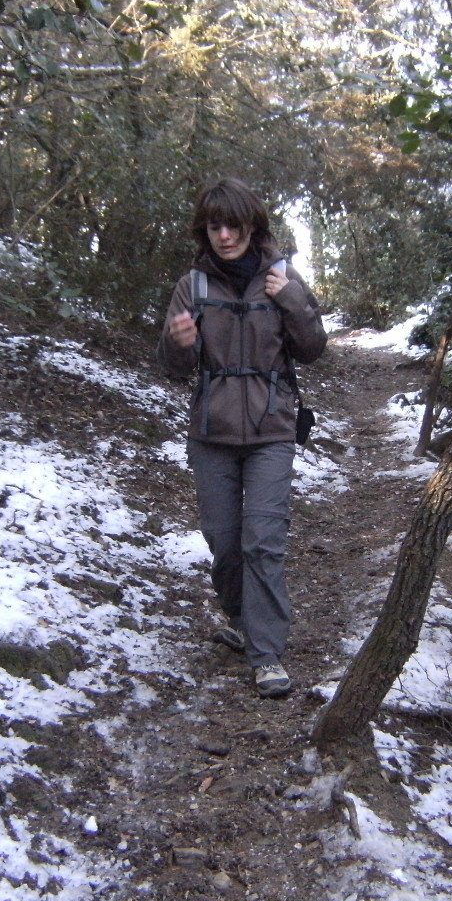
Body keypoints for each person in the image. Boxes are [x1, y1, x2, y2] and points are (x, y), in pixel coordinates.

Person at [158, 178, 327, 698]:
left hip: (272, 429)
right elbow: (173, 367)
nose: (224, 235)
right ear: (203, 229)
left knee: (263, 541)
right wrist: (178, 343)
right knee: (224, 542)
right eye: (214, 226)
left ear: (253, 227)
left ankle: (267, 652)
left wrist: (294, 301)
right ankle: (239, 616)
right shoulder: (193, 286)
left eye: (233, 225)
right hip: (211, 433)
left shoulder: (282, 278)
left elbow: (314, 349)